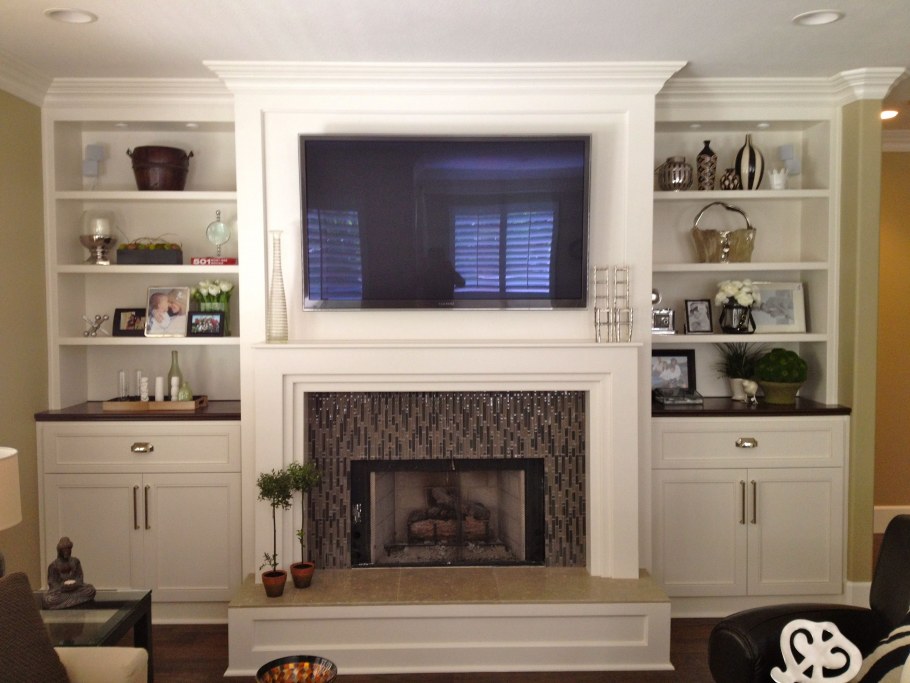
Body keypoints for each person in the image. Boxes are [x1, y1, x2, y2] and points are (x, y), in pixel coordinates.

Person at [42, 536, 95, 609]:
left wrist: (75, 584)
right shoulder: (54, 565)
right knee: (48, 599)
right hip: (61, 592)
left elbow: (79, 578)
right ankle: (72, 602)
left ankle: (70, 602)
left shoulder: (75, 561)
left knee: (90, 590)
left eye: (69, 549)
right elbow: (52, 582)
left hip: (75, 590)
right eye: (64, 550)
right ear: (60, 551)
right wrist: (62, 586)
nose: (67, 551)